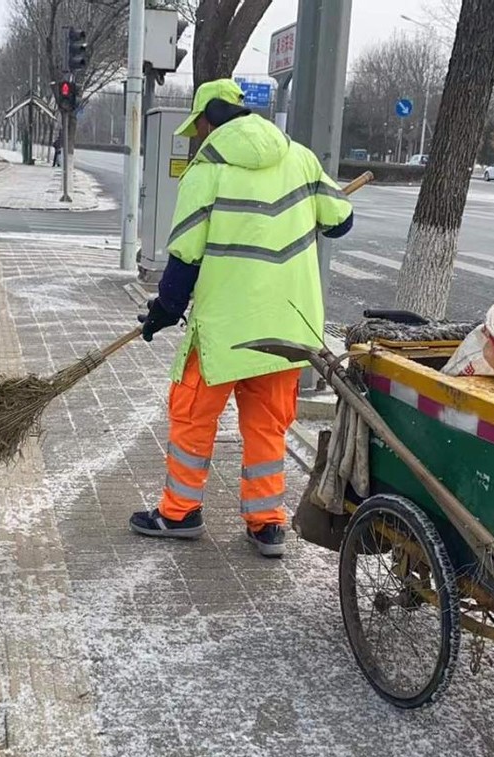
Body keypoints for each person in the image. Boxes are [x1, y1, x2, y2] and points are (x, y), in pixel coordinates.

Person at [129, 79, 355, 558]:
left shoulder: (206, 170)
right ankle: (267, 524)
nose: (197, 135)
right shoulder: (301, 158)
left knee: (192, 416)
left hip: (225, 331)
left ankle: (179, 513)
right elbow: (342, 221)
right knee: (268, 426)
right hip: (288, 329)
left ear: (210, 118)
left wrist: (163, 313)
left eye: (199, 125)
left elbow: (185, 259)